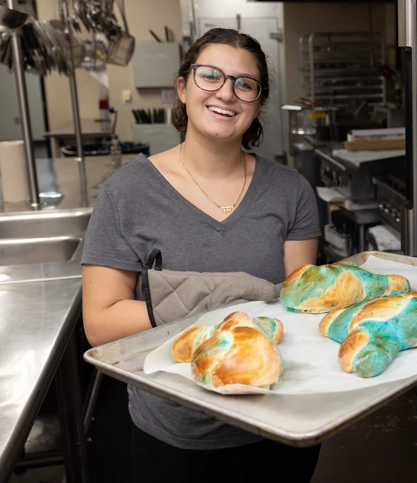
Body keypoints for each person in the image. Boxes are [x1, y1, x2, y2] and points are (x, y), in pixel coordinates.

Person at [81, 28, 322, 482]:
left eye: (244, 83)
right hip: (178, 435)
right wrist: (213, 298)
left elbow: (301, 306)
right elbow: (100, 322)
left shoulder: (292, 192)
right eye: (210, 76)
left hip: (280, 419)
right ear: (183, 86)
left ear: (258, 102)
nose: (226, 93)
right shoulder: (127, 193)